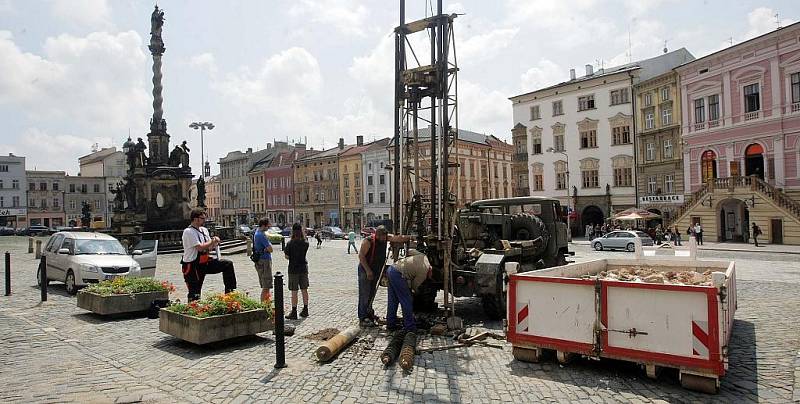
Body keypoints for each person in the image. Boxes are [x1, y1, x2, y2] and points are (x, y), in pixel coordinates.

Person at [357, 225, 411, 327]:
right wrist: (368, 271)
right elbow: (361, 256)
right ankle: (363, 317)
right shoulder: (368, 241)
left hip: (376, 270)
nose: (384, 239)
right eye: (383, 237)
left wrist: (410, 237)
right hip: (365, 270)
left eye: (385, 237)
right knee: (364, 294)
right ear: (377, 235)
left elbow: (397, 238)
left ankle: (369, 313)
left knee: (372, 293)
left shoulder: (384, 238)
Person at [181, 208, 237, 301]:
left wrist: (215, 243)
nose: (204, 220)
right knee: (195, 292)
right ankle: (193, 308)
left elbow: (208, 248)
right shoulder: (188, 231)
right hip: (193, 265)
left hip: (204, 262)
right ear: (195, 219)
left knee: (227, 264)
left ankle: (230, 293)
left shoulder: (204, 230)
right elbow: (199, 247)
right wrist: (212, 241)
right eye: (202, 218)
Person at [386, 249, 432, 332]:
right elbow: (414, 286)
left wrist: (408, 263)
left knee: (393, 300)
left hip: (392, 269)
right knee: (407, 300)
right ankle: (410, 327)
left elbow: (410, 251)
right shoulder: (423, 273)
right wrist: (415, 293)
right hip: (398, 275)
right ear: (430, 272)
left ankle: (390, 324)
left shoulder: (424, 257)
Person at [284, 223, 310, 319]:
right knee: (304, 289)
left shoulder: (290, 243)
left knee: (294, 291)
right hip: (303, 268)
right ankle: (305, 309)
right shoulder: (305, 243)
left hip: (293, 269)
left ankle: (294, 311)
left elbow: (287, 257)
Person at [253, 218, 274, 303]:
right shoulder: (261, 235)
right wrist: (267, 248)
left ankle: (267, 303)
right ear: (264, 225)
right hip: (264, 261)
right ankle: (264, 305)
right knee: (266, 285)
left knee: (266, 285)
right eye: (268, 225)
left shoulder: (256, 233)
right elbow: (271, 249)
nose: (269, 227)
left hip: (261, 260)